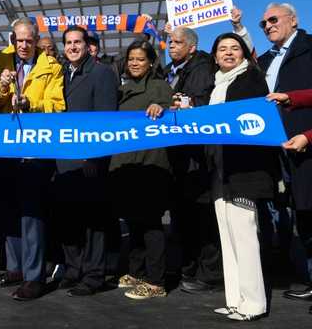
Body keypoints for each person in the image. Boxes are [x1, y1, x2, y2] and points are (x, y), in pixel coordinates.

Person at [0, 17, 64, 301]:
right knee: (7, 210)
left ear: (36, 41)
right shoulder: (1, 63)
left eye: (28, 41)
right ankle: (14, 269)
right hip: (6, 149)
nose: (23, 45)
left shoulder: (52, 68)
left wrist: (31, 104)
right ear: (13, 40)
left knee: (32, 214)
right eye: (18, 40)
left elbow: (58, 107)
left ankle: (35, 277)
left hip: (35, 150)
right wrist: (3, 88)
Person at [207, 32, 277, 321]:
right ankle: (235, 298)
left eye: (235, 48)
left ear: (244, 54)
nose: (228, 53)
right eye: (222, 49)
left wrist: (240, 27)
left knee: (245, 237)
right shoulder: (216, 85)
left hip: (244, 170)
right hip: (220, 169)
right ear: (214, 56)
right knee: (228, 236)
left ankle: (254, 303)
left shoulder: (251, 78)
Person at [52, 26, 118, 296]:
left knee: (93, 222)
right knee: (69, 219)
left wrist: (95, 157)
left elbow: (105, 118)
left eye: (77, 42)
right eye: (68, 42)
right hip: (63, 159)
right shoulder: (61, 74)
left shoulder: (101, 73)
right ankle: (73, 269)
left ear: (87, 44)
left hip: (89, 160)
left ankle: (93, 276)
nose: (73, 47)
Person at [256, 3, 312, 306]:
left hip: (306, 145)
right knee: (294, 214)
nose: (267, 26)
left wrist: (307, 136)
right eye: (262, 23)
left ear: (294, 19)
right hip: (276, 150)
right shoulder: (264, 60)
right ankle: (305, 276)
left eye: (273, 20)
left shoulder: (309, 47)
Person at [110, 39, 173, 300]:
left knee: (151, 224)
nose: (135, 63)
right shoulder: (122, 88)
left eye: (140, 59)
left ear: (150, 62)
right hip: (126, 165)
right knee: (133, 222)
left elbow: (171, 113)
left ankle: (156, 281)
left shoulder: (159, 86)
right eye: (131, 59)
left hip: (151, 165)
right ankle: (136, 272)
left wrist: (162, 107)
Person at [163, 26, 222, 294]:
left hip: (197, 156)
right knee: (182, 216)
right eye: (169, 42)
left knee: (203, 218)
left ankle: (209, 274)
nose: (170, 46)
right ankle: (187, 267)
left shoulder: (201, 67)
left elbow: (199, 100)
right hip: (177, 156)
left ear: (192, 47)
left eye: (177, 42)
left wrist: (183, 102)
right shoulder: (168, 71)